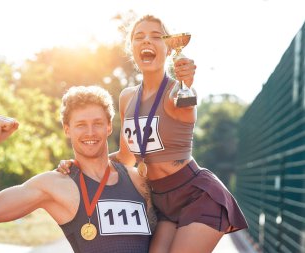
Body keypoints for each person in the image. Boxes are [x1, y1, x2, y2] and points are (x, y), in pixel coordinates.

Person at [57, 15, 248, 253]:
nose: (147, 41)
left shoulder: (174, 91)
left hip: (196, 194)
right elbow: (127, 158)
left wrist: (187, 81)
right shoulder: (127, 98)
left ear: (169, 48)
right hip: (161, 201)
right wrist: (78, 164)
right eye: (139, 37)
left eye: (156, 36)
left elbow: (186, 104)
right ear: (132, 49)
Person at [0, 85, 156, 253]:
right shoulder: (55, 185)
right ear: (67, 129)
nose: (90, 132)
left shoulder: (137, 179)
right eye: (81, 125)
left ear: (108, 127)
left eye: (97, 123)